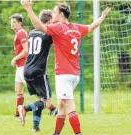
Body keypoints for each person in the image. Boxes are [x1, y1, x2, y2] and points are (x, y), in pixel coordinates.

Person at [21, 1, 111, 134]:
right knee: (61, 107)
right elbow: (92, 27)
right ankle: (56, 133)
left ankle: (78, 133)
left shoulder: (58, 28)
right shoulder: (76, 27)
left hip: (63, 74)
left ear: (61, 14)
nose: (53, 14)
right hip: (74, 74)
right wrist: (102, 17)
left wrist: (28, 8)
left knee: (69, 106)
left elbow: (38, 25)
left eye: (55, 12)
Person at [17, 9, 58, 132]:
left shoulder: (32, 32)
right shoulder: (48, 34)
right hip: (39, 71)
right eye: (53, 18)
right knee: (46, 103)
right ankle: (24, 108)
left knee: (39, 99)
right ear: (50, 20)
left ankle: (35, 127)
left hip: (27, 69)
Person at [10, 13, 28, 117]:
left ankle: (51, 107)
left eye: (14, 22)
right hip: (19, 66)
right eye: (11, 22)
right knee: (18, 90)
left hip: (24, 66)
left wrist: (15, 58)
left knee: (33, 90)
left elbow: (27, 50)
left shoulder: (21, 33)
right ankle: (18, 113)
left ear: (20, 23)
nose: (12, 24)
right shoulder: (18, 33)